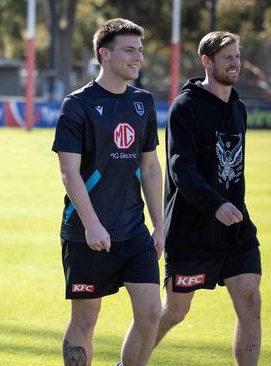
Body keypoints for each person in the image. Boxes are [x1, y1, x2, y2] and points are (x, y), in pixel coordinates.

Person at [52, 18, 163, 366]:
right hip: (88, 233)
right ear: (105, 53)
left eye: (140, 50)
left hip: (133, 231)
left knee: (151, 314)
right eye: (129, 50)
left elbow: (150, 166)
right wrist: (91, 224)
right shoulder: (77, 104)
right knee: (85, 320)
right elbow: (69, 172)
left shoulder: (143, 102)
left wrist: (160, 225)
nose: (138, 57)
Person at [154, 31, 261, 365]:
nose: (235, 63)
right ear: (207, 60)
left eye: (237, 56)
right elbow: (179, 169)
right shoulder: (185, 107)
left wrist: (229, 207)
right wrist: (215, 204)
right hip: (193, 228)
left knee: (250, 301)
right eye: (227, 57)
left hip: (234, 227)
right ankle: (132, 357)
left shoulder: (238, 108)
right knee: (175, 311)